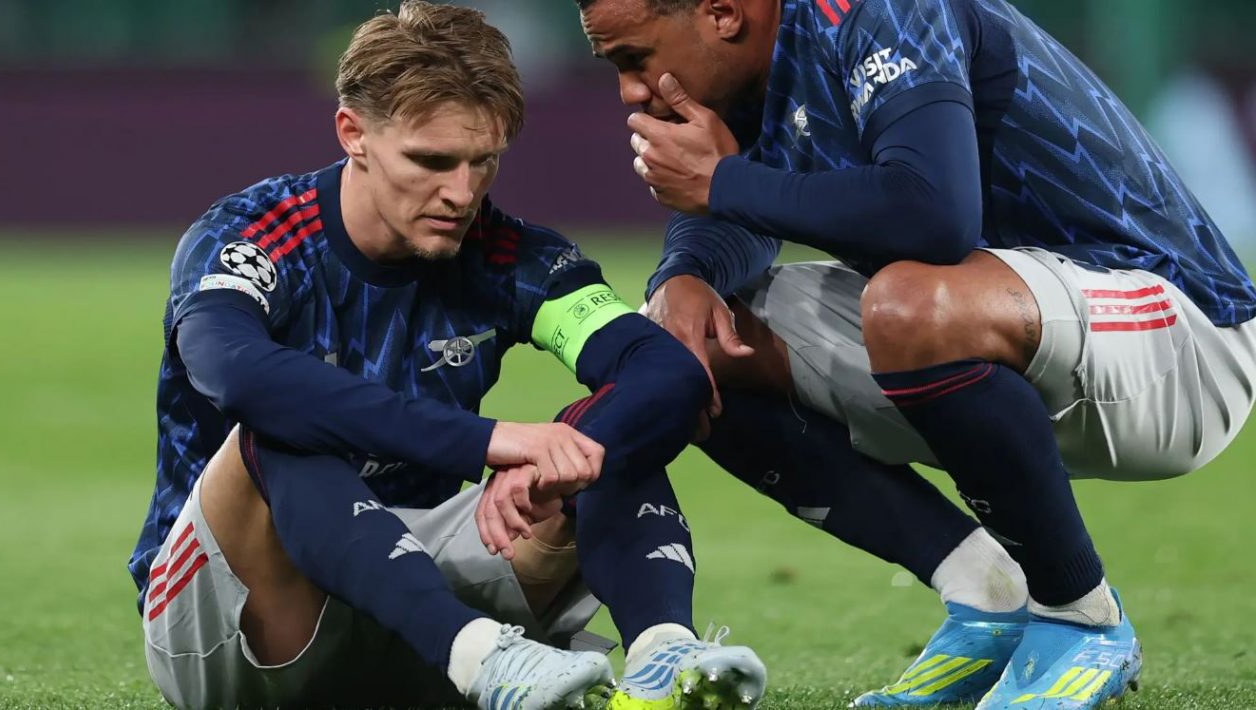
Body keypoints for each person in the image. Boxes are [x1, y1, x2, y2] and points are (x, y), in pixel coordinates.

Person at [575, 0, 1256, 708]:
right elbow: (753, 202)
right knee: (693, 350)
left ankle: (1080, 617)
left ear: (721, 13)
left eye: (635, 58)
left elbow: (931, 212)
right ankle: (987, 594)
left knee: (908, 304)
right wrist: (685, 274)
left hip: (1180, 341)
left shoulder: (882, 10)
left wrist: (723, 182)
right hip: (1009, 332)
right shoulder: (753, 64)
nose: (629, 90)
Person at [127, 4, 766, 708]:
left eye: (482, 162)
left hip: (415, 602)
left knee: (603, 437)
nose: (461, 194)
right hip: (238, 620)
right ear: (353, 133)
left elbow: (663, 371)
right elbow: (238, 374)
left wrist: (555, 459)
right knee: (282, 424)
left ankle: (661, 656)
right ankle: (482, 659)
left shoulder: (507, 254)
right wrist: (488, 442)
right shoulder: (254, 237)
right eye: (431, 161)